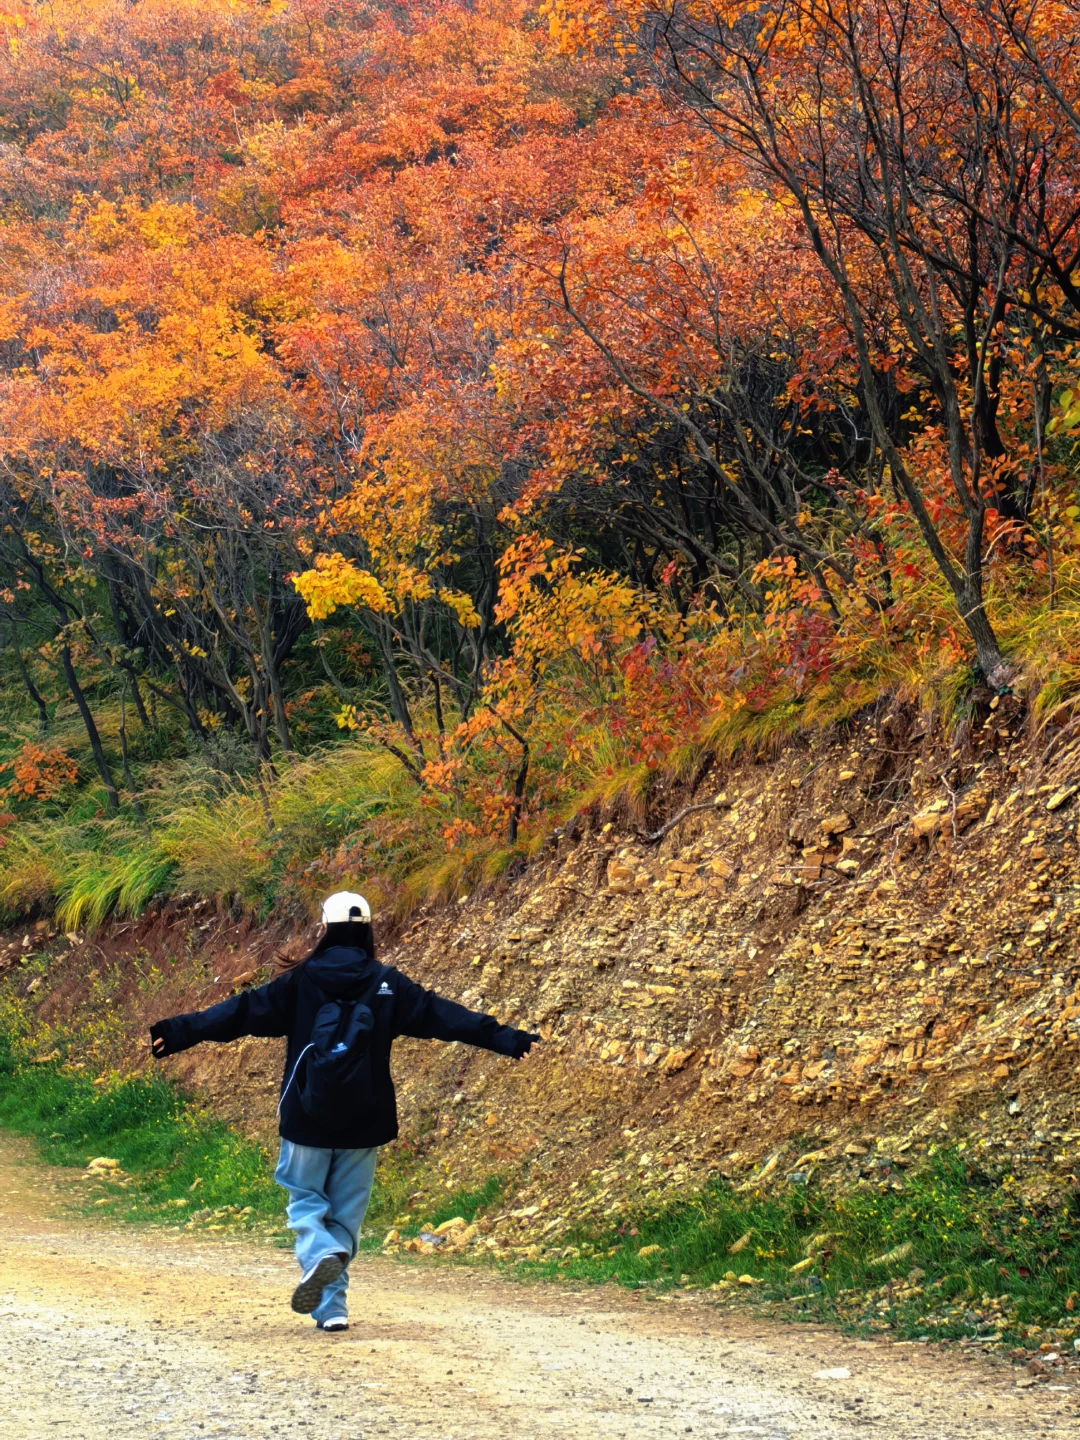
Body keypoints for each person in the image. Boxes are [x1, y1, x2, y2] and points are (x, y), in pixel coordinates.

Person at [149, 891, 540, 1333]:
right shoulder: (388, 983)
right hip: (364, 1122)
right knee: (345, 1218)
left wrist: (179, 1031)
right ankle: (332, 1309)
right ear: (368, 930)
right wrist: (508, 1039)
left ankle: (320, 1259)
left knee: (306, 1203)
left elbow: (238, 1013)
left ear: (324, 928)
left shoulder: (299, 982)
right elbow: (445, 1016)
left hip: (305, 1119)